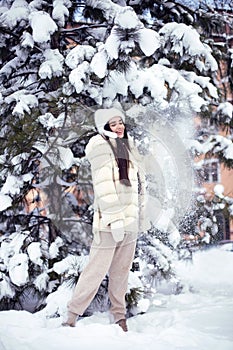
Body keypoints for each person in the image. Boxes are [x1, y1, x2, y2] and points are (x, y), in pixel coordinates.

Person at [62, 107, 148, 332]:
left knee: (121, 272)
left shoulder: (128, 148)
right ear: (105, 127)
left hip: (130, 222)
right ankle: (71, 316)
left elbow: (138, 185)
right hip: (109, 224)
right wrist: (115, 219)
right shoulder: (101, 148)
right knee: (95, 271)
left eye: (121, 122)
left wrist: (140, 214)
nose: (119, 126)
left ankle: (119, 317)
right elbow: (104, 189)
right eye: (114, 123)